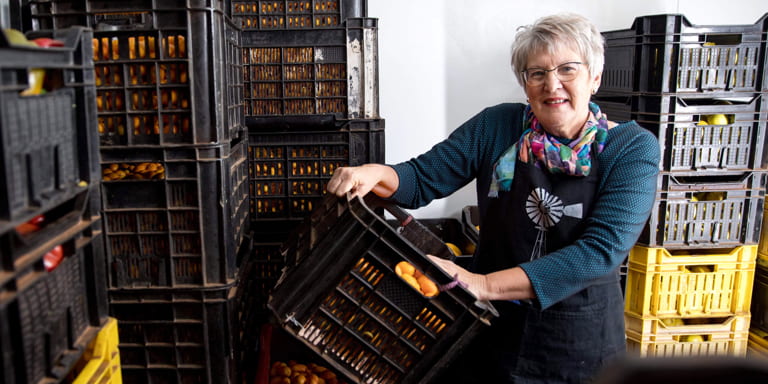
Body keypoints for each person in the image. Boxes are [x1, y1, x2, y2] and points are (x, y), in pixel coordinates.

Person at [326, 13, 659, 384]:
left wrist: (480, 284)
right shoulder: (497, 127)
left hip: (578, 345)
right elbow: (421, 179)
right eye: (537, 73)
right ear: (525, 84)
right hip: (491, 334)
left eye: (568, 69)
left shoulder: (631, 148)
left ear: (594, 77)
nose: (553, 84)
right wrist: (374, 173)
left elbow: (599, 252)